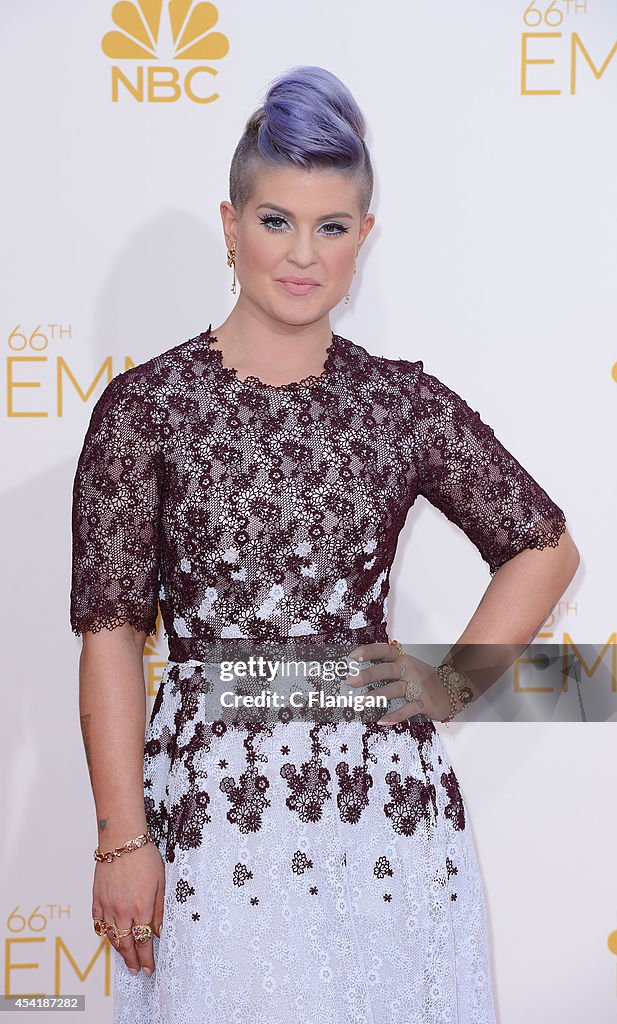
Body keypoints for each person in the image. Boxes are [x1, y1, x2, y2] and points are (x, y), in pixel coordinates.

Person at [70, 65, 580, 1024]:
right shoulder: (146, 410)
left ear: (362, 241)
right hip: (207, 816)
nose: (301, 254)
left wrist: (448, 682)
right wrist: (120, 839)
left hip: (379, 818)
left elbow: (542, 546)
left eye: (331, 227)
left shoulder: (401, 404)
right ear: (230, 226)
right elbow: (109, 635)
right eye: (275, 221)